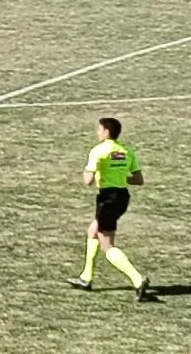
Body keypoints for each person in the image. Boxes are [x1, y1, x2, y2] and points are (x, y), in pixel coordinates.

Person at [67, 117, 150, 301]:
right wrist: (118, 176)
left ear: (106, 131)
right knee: (93, 230)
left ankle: (138, 279)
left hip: (107, 199)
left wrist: (88, 172)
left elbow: (88, 181)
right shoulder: (126, 151)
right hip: (122, 197)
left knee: (107, 245)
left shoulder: (99, 151)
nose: (97, 132)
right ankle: (86, 277)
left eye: (99, 129)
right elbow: (138, 180)